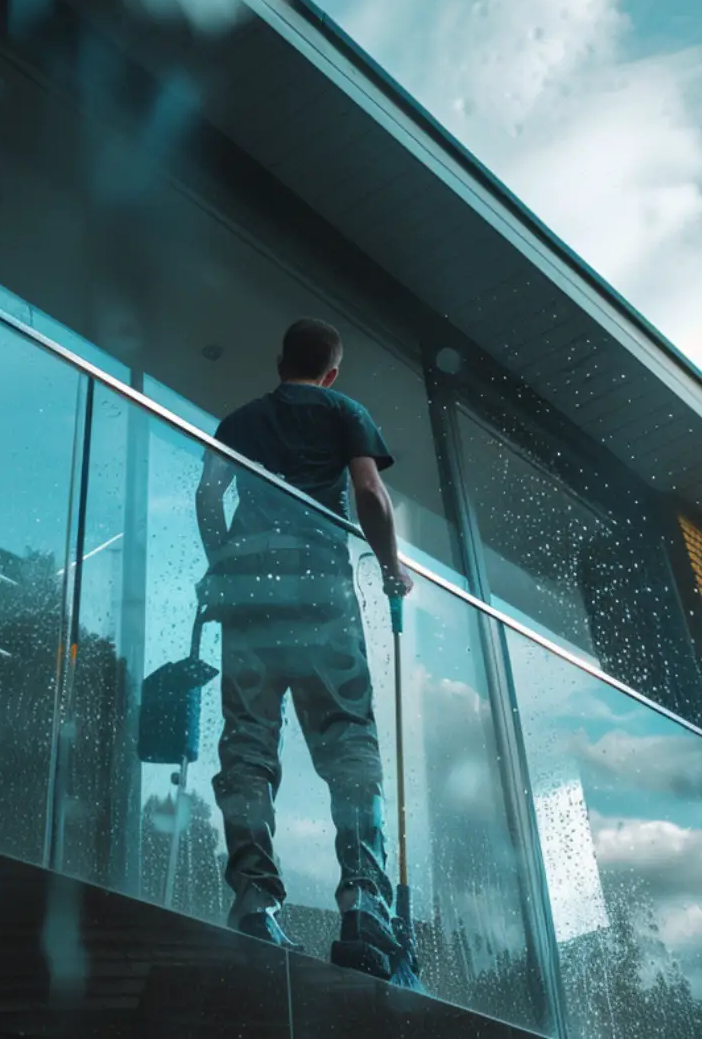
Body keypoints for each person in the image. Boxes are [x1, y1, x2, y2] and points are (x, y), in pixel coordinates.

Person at [194, 317, 415, 980]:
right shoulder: (347, 411)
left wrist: (224, 562)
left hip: (250, 596)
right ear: (330, 371)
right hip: (320, 596)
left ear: (279, 358)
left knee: (249, 744)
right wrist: (391, 565)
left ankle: (255, 901)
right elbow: (370, 493)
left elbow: (208, 493)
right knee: (349, 742)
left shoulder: (238, 420)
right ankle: (363, 906)